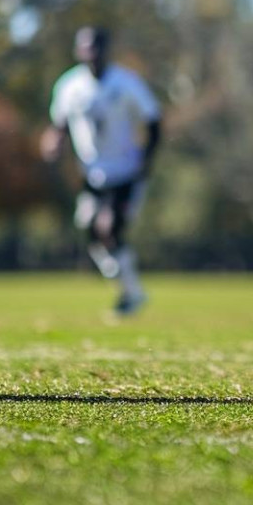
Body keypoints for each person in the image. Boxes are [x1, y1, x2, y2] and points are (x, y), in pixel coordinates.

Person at [42, 27, 161, 315]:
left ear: (106, 50)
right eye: (86, 48)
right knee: (91, 232)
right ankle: (129, 290)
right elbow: (59, 125)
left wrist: (146, 161)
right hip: (91, 174)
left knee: (109, 228)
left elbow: (154, 120)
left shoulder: (126, 82)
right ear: (78, 51)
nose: (91, 54)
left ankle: (130, 291)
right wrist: (53, 143)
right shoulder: (69, 86)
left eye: (96, 47)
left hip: (125, 171)